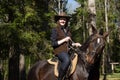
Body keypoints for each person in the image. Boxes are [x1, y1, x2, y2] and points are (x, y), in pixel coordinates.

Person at [50, 12, 81, 80]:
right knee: (67, 60)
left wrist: (75, 44)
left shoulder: (67, 31)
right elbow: (53, 43)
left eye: (64, 19)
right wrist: (64, 39)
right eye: (61, 19)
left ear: (66, 21)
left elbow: (69, 43)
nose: (63, 21)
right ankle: (60, 78)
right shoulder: (55, 30)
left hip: (68, 51)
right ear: (58, 20)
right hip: (59, 51)